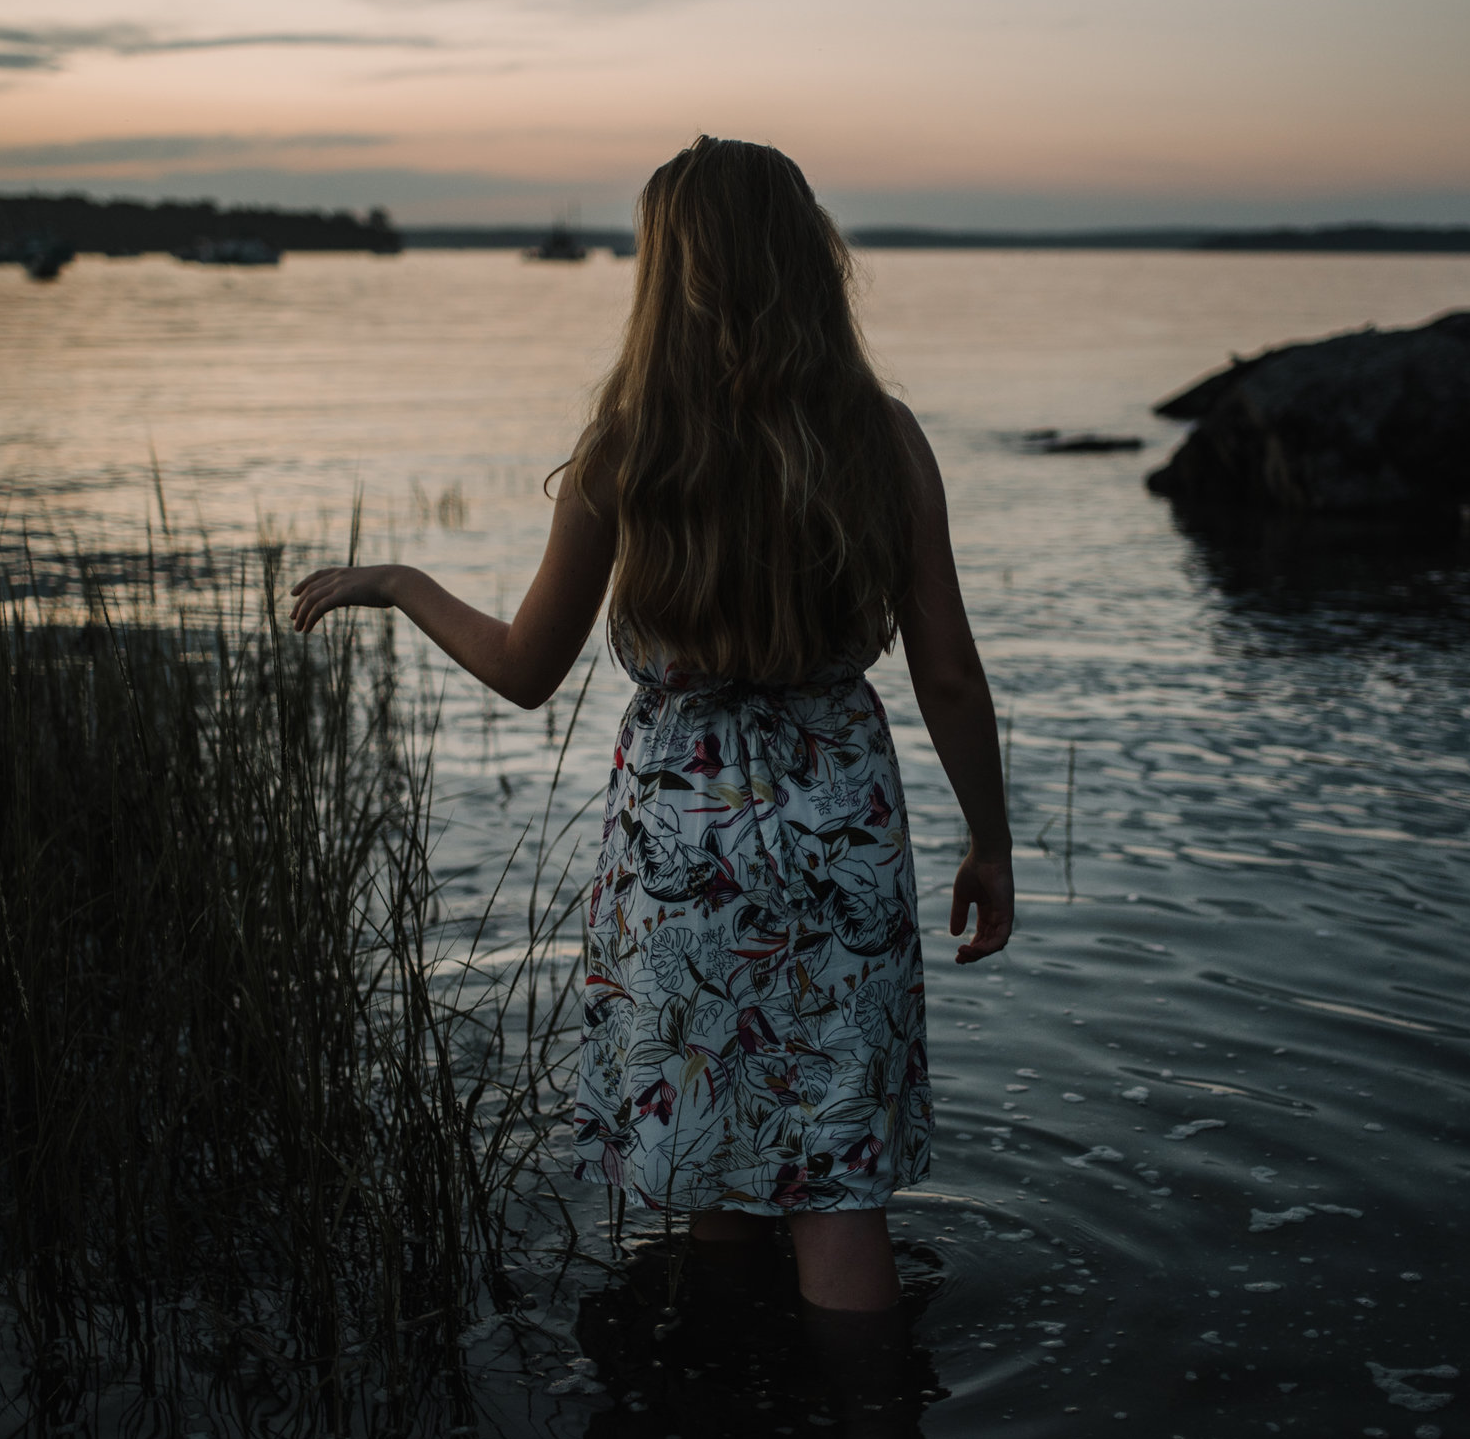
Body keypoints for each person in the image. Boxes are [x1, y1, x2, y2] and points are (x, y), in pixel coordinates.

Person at [288, 135, 1013, 1324]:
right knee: (838, 1184)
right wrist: (990, 842)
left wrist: (406, 582)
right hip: (843, 825)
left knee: (710, 1158)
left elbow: (527, 670)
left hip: (683, 843)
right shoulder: (883, 440)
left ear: (662, 274)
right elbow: (950, 670)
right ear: (808, 262)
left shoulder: (626, 451)